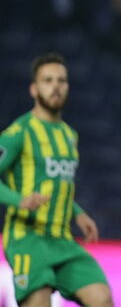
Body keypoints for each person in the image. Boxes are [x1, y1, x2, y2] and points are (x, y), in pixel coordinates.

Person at [0, 53, 113, 307]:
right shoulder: (19, 132)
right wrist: (19, 200)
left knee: (102, 298)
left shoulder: (69, 135)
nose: (55, 87)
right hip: (27, 238)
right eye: (47, 80)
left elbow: (57, 184)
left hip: (61, 239)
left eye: (61, 81)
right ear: (34, 88)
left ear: (68, 88)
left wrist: (79, 213)